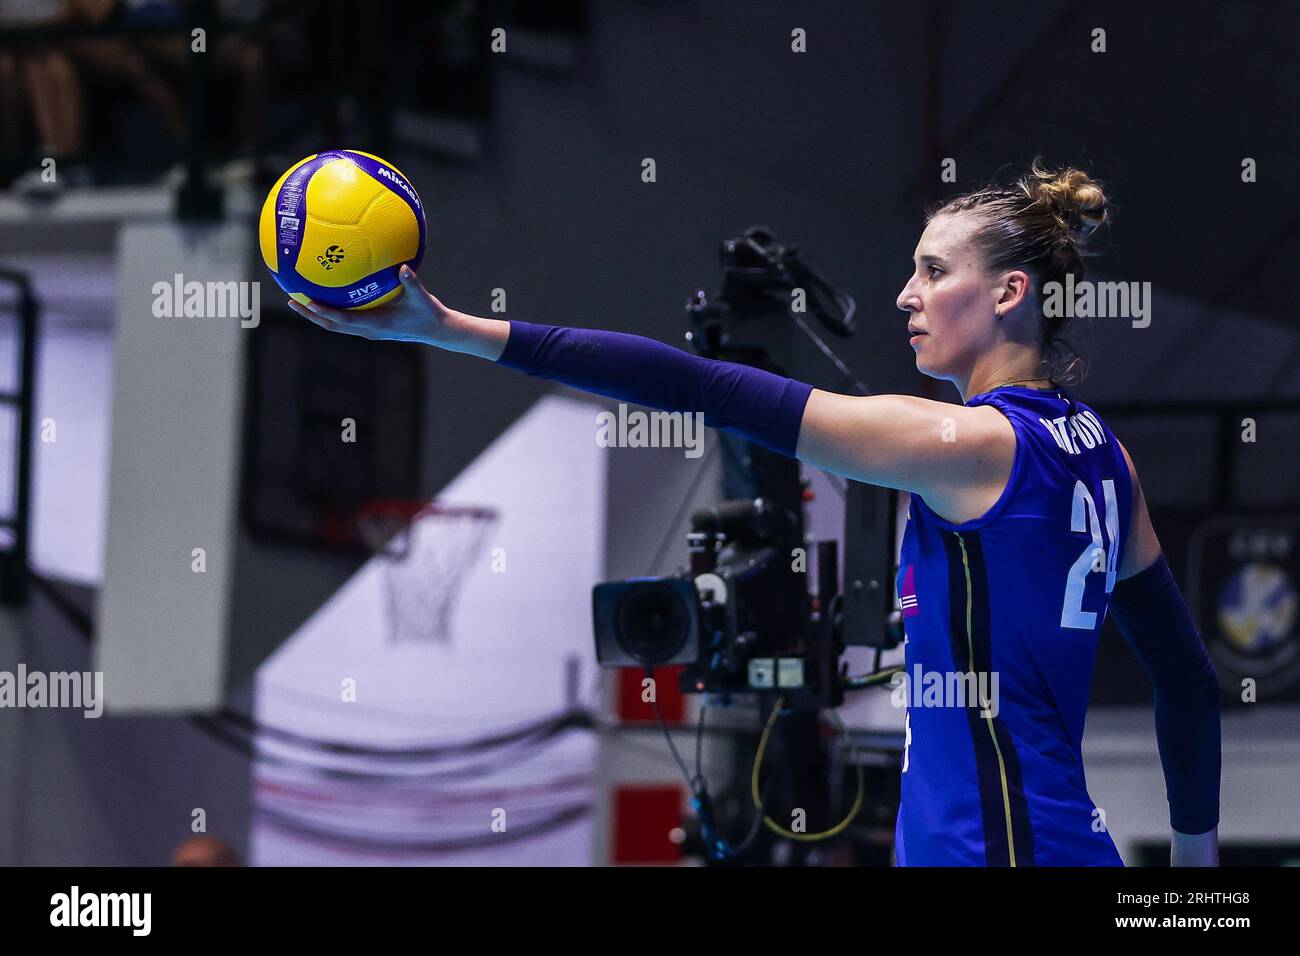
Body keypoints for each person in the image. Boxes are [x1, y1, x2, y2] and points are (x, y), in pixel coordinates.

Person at [287, 160, 1221, 867]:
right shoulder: (1107, 459)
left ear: (1011, 293)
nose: (907, 293)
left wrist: (451, 331)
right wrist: (1195, 867)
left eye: (935, 271)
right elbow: (1184, 680)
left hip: (992, 848)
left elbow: (702, 386)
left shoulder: (969, 445)